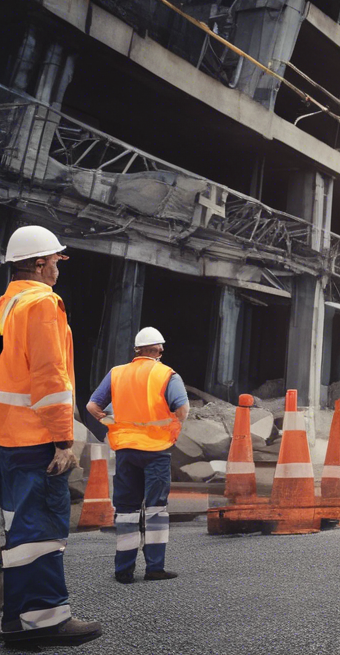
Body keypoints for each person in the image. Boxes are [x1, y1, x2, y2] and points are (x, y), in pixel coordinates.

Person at [0, 226, 102, 647]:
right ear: (40, 263)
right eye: (56, 259)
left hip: (7, 440)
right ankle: (43, 619)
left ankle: (14, 619)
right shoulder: (43, 303)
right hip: (36, 439)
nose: (59, 265)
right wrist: (64, 440)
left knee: (16, 532)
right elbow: (49, 378)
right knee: (39, 531)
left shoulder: (6, 304)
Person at [86, 327, 188, 583]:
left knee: (127, 510)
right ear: (159, 350)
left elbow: (91, 406)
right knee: (155, 509)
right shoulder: (167, 374)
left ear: (137, 350)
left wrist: (107, 421)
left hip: (126, 451)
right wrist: (174, 429)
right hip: (156, 451)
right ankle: (155, 568)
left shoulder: (117, 373)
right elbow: (182, 408)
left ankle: (124, 571)